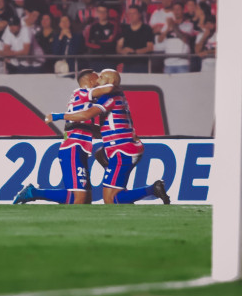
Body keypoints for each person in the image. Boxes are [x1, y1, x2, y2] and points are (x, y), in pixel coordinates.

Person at [45, 69, 170, 205]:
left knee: (111, 200)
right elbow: (103, 128)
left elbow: (86, 115)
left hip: (121, 148)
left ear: (109, 82)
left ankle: (152, 189)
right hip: (122, 146)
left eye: (101, 77)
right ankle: (117, 180)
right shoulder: (114, 95)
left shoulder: (109, 96)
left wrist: (57, 116)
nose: (98, 79)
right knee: (100, 155)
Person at [14, 69, 115, 205]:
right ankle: (34, 193)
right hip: (73, 148)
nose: (99, 81)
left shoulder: (84, 101)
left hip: (80, 149)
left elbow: (88, 127)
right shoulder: (82, 92)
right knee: (78, 198)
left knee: (86, 199)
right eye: (98, 78)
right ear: (90, 80)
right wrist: (113, 81)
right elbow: (108, 89)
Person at [155, 2, 196, 74]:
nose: (176, 12)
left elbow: (185, 39)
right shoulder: (168, 24)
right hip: (168, 63)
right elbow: (159, 40)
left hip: (183, 63)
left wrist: (173, 25)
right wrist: (168, 28)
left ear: (183, 10)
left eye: (178, 9)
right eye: (174, 10)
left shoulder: (188, 25)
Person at [117, 5, 155, 73]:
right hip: (127, 65)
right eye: (130, 14)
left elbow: (150, 47)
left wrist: (135, 52)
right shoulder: (125, 29)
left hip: (142, 64)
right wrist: (123, 51)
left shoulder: (147, 29)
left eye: (134, 13)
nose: (131, 16)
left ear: (139, 14)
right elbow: (118, 47)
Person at [83, 3, 118, 71]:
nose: (102, 14)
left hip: (110, 59)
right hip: (95, 60)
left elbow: (111, 42)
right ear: (97, 13)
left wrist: (96, 42)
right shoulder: (92, 26)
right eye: (100, 11)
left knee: (110, 81)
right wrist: (103, 44)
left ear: (108, 13)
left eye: (104, 11)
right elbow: (87, 43)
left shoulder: (113, 25)